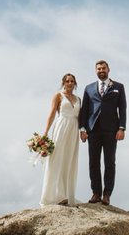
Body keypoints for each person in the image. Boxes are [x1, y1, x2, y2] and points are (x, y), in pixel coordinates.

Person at [78, 59, 126, 206]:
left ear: (108, 69)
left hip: (111, 130)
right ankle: (96, 193)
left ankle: (107, 194)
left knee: (109, 162)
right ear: (95, 71)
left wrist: (122, 128)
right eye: (98, 69)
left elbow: (122, 109)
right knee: (93, 162)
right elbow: (84, 110)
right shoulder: (89, 88)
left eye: (103, 68)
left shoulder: (118, 87)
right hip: (93, 130)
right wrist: (82, 129)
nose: (101, 71)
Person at [40, 73, 81, 206]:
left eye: (72, 81)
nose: (70, 83)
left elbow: (81, 118)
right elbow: (52, 113)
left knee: (69, 160)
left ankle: (67, 195)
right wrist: (45, 133)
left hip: (74, 130)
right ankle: (55, 195)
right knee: (57, 159)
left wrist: (83, 131)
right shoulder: (58, 96)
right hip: (61, 127)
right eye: (67, 81)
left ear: (75, 83)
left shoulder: (78, 99)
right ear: (63, 83)